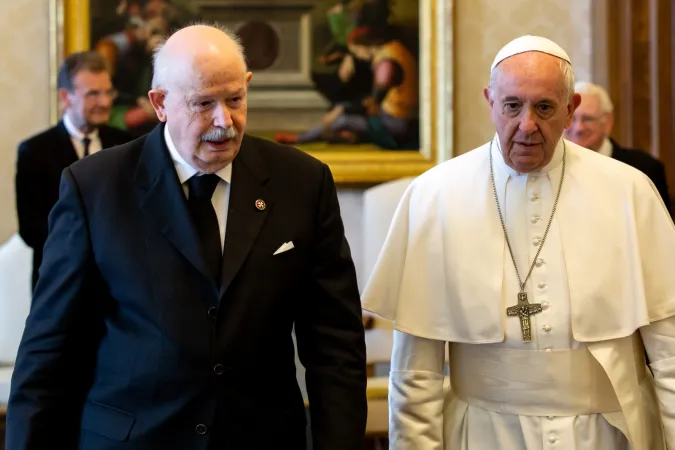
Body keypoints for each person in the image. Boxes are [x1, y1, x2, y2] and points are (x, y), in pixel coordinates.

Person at [7, 24, 367, 450]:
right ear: (160, 103)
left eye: (235, 99)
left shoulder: (302, 183)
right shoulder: (95, 188)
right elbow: (49, 352)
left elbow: (335, 346)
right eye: (203, 103)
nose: (225, 121)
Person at [362, 35, 675, 450]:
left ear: (571, 109)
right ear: (490, 101)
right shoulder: (435, 196)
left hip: (607, 433)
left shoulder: (629, 191)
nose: (527, 125)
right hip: (482, 434)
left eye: (544, 107)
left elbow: (669, 353)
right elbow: (416, 374)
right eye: (512, 106)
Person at [15, 51, 130, 291]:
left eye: (108, 92)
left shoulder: (128, 145)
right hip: (59, 284)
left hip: (119, 286)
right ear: (66, 97)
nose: (105, 102)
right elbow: (32, 229)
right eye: (93, 94)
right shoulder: (34, 151)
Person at [564, 80, 670, 211]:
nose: (578, 128)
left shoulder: (646, 169)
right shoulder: (549, 167)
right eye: (572, 118)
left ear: (608, 122)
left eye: (587, 119)